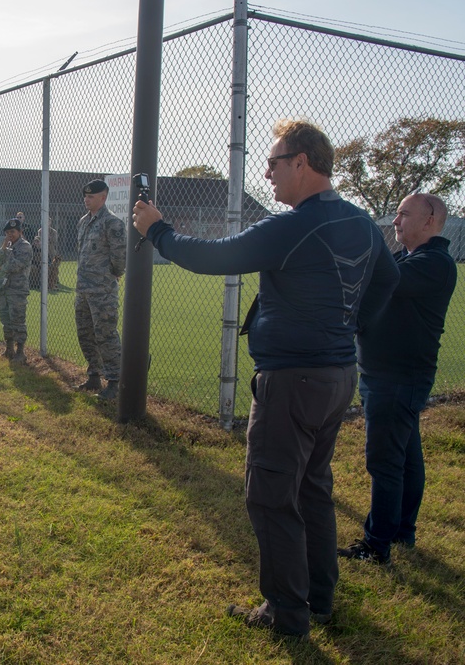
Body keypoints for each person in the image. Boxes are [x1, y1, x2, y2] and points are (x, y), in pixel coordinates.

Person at [133, 119, 400, 639]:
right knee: (312, 488)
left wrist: (157, 230)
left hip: (292, 381)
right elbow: (387, 278)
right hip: (337, 375)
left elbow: (214, 256)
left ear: (301, 162)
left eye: (274, 163)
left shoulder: (293, 226)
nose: (267, 173)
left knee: (271, 495)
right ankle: (318, 598)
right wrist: (349, 327)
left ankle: (285, 613)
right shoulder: (362, 222)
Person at [338, 193, 458, 564]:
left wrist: (357, 236)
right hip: (389, 376)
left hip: (397, 378)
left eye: (404, 214)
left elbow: (381, 278)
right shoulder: (410, 258)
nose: (395, 221)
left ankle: (377, 546)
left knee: (385, 461)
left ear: (429, 220)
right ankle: (402, 531)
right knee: (405, 456)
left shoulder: (433, 263)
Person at [75, 179, 126, 400]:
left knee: (105, 335)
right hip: (83, 289)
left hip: (103, 291)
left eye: (91, 197)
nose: (86, 200)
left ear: (103, 198)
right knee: (85, 333)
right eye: (85, 196)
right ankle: (94, 375)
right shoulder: (83, 222)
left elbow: (120, 258)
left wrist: (111, 275)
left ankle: (115, 382)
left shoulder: (112, 223)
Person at [0, 216, 32, 364]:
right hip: (4, 288)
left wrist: (2, 265)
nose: (10, 235)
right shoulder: (7, 246)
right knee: (6, 320)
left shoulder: (25, 247)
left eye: (13, 232)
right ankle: (9, 349)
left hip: (17, 290)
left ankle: (20, 353)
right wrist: (3, 248)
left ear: (20, 232)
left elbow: (16, 266)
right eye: (8, 232)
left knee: (18, 321)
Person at [31, 217, 60, 291]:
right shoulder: (40, 230)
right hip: (42, 249)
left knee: (54, 265)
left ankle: (55, 280)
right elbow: (40, 239)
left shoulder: (53, 231)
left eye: (48, 221)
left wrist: (47, 238)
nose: (46, 223)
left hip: (51, 250)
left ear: (50, 222)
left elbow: (55, 240)